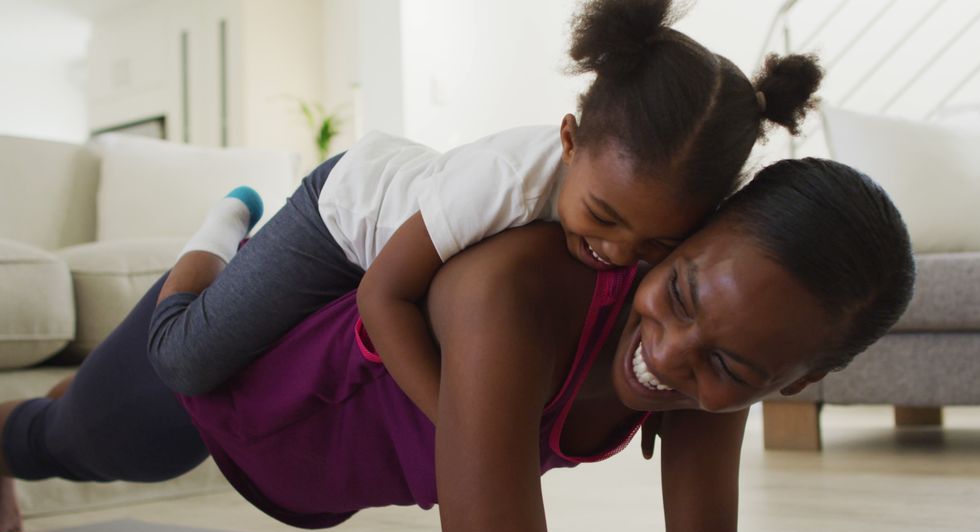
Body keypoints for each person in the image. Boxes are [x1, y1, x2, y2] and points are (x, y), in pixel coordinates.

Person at [0, 156, 915, 532]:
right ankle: (216, 237)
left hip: (310, 469)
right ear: (687, 239)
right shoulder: (510, 294)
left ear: (792, 380)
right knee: (73, 443)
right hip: (236, 375)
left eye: (734, 368)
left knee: (82, 420)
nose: (670, 360)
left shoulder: (727, 363)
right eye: (676, 294)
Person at [146, 0, 824, 423]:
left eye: (658, 243)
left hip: (422, 199)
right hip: (345, 213)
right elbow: (383, 295)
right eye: (604, 217)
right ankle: (224, 223)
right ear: (567, 141)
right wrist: (455, 418)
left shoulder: (668, 220)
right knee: (184, 363)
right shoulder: (503, 179)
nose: (620, 252)